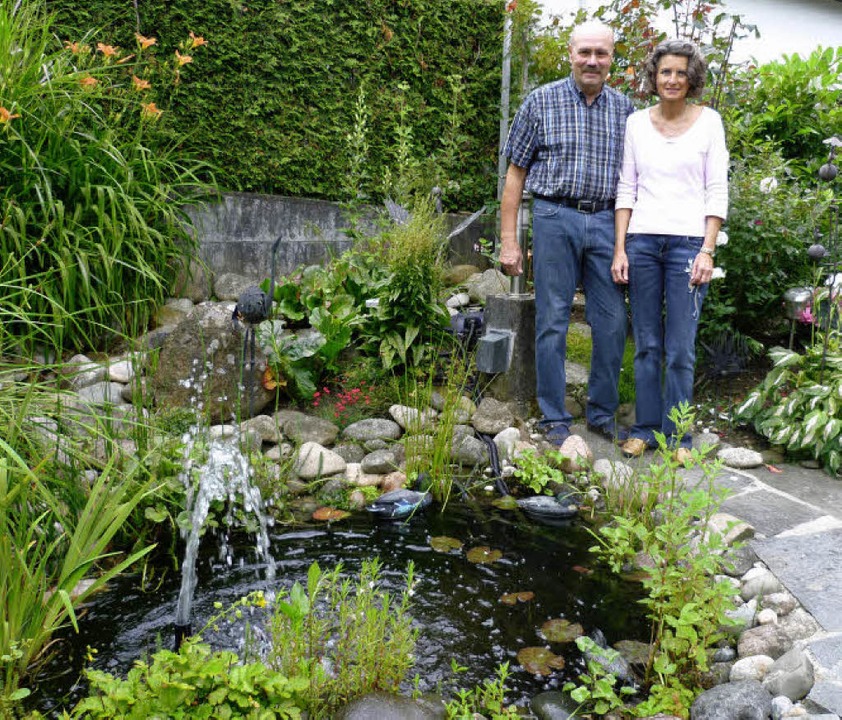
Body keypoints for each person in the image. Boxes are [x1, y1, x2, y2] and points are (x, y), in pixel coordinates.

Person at [499, 21, 634, 446]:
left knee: (612, 322)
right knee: (552, 319)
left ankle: (601, 412)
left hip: (608, 220)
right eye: (585, 52)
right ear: (570, 53)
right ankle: (554, 415)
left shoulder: (627, 111)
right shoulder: (540, 102)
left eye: (602, 53)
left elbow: (636, 181)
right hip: (555, 217)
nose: (593, 61)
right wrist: (508, 240)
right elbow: (515, 175)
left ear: (612, 58)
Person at [611, 39, 728, 461]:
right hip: (642, 243)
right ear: (654, 78)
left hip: (688, 247)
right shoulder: (637, 124)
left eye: (680, 72)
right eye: (665, 72)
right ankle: (643, 427)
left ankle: (679, 435)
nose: (673, 79)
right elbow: (627, 187)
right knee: (645, 344)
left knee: (680, 347)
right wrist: (620, 248)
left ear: (691, 77)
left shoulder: (709, 122)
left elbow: (717, 189)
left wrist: (707, 250)